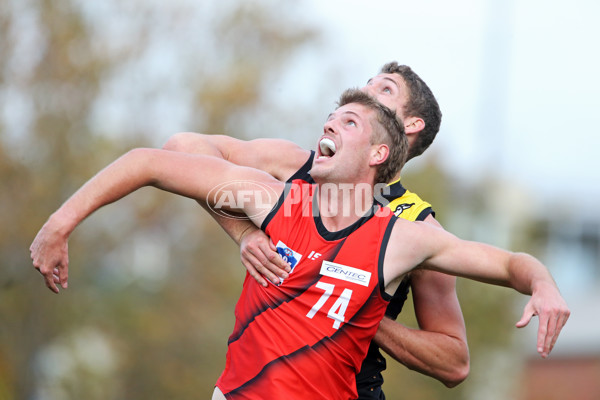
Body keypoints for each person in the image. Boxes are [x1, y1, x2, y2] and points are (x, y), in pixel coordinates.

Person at [30, 89, 569, 400]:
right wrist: (59, 223)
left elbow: (507, 263)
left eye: (350, 120)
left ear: (382, 152)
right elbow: (152, 161)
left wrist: (542, 283)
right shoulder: (271, 200)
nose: (330, 124)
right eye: (331, 117)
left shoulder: (404, 238)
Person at [162, 62, 468, 397]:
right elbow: (182, 148)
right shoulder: (299, 167)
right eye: (368, 83)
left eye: (385, 89)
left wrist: (359, 312)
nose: (366, 91)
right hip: (253, 386)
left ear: (412, 124)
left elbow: (453, 363)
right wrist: (244, 232)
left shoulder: (418, 225)